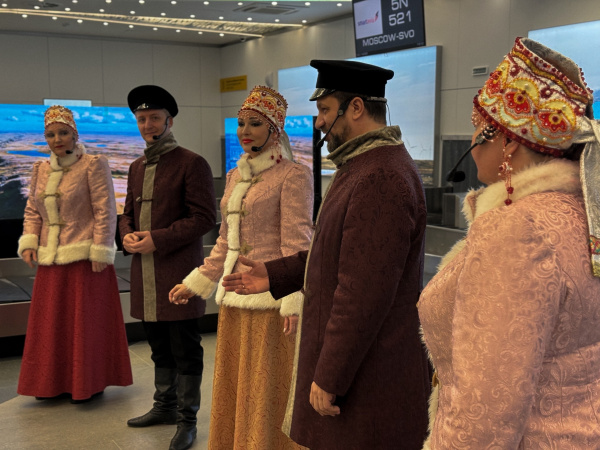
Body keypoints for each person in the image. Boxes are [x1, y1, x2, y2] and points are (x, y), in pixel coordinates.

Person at [222, 61, 431, 450]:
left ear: (355, 108)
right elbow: (337, 255)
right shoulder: (365, 165)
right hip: (362, 364)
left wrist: (330, 374)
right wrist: (276, 273)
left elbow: (362, 293)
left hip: (369, 371)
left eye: (324, 110)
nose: (318, 123)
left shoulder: (380, 176)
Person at [418, 37, 600, 448]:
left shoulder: (518, 230)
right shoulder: (581, 213)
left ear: (506, 139)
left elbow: (485, 414)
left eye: (475, 126)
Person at [169, 85, 314, 449]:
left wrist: (293, 300)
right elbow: (226, 241)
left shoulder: (294, 175)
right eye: (241, 123)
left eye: (255, 123)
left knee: (267, 383)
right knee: (238, 383)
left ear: (274, 130)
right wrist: (198, 280)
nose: (245, 131)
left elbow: (298, 244)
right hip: (235, 295)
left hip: (270, 298)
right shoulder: (236, 176)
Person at [119, 85, 216, 450]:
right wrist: (127, 235)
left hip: (177, 273)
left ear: (169, 121)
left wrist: (156, 239)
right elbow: (126, 214)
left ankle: (187, 420)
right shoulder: (136, 166)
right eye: (142, 119)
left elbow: (203, 218)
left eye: (154, 118)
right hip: (145, 274)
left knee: (185, 348)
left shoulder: (192, 163)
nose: (148, 125)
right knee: (158, 345)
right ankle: (164, 406)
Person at [17, 105, 133, 403]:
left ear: (75, 134)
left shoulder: (93, 164)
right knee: (50, 325)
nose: (57, 139)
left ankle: (87, 383)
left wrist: (101, 249)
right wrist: (29, 242)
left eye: (63, 133)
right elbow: (33, 210)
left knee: (85, 325)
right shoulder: (40, 169)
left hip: (86, 260)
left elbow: (105, 211)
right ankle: (50, 384)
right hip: (50, 260)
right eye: (51, 134)